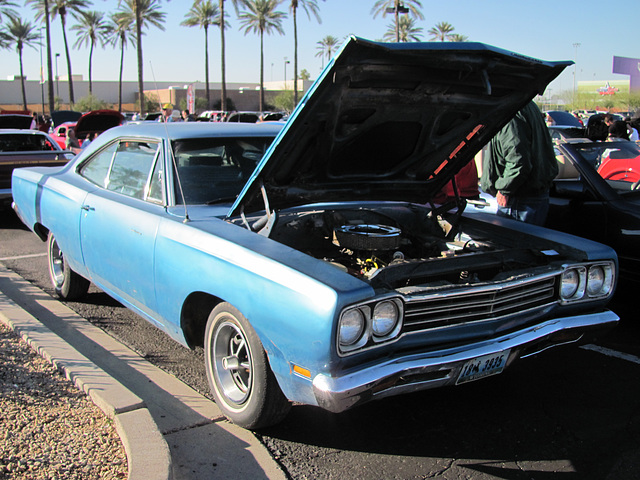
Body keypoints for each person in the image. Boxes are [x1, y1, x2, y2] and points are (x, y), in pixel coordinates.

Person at [480, 101, 558, 226]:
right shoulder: (528, 105)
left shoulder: (510, 114)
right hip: (532, 196)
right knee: (530, 243)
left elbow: (518, 161)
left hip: (519, 201)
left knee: (511, 244)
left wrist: (505, 190)